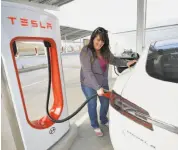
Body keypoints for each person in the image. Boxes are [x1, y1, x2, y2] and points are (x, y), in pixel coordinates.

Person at [80, 27, 137, 137]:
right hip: (89, 83)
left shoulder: (105, 51)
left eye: (102, 41)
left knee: (105, 103)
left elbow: (114, 60)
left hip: (102, 82)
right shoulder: (86, 51)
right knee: (92, 104)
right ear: (93, 39)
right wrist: (97, 88)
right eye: (98, 40)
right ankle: (95, 125)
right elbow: (87, 72)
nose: (100, 43)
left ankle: (103, 119)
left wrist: (127, 63)